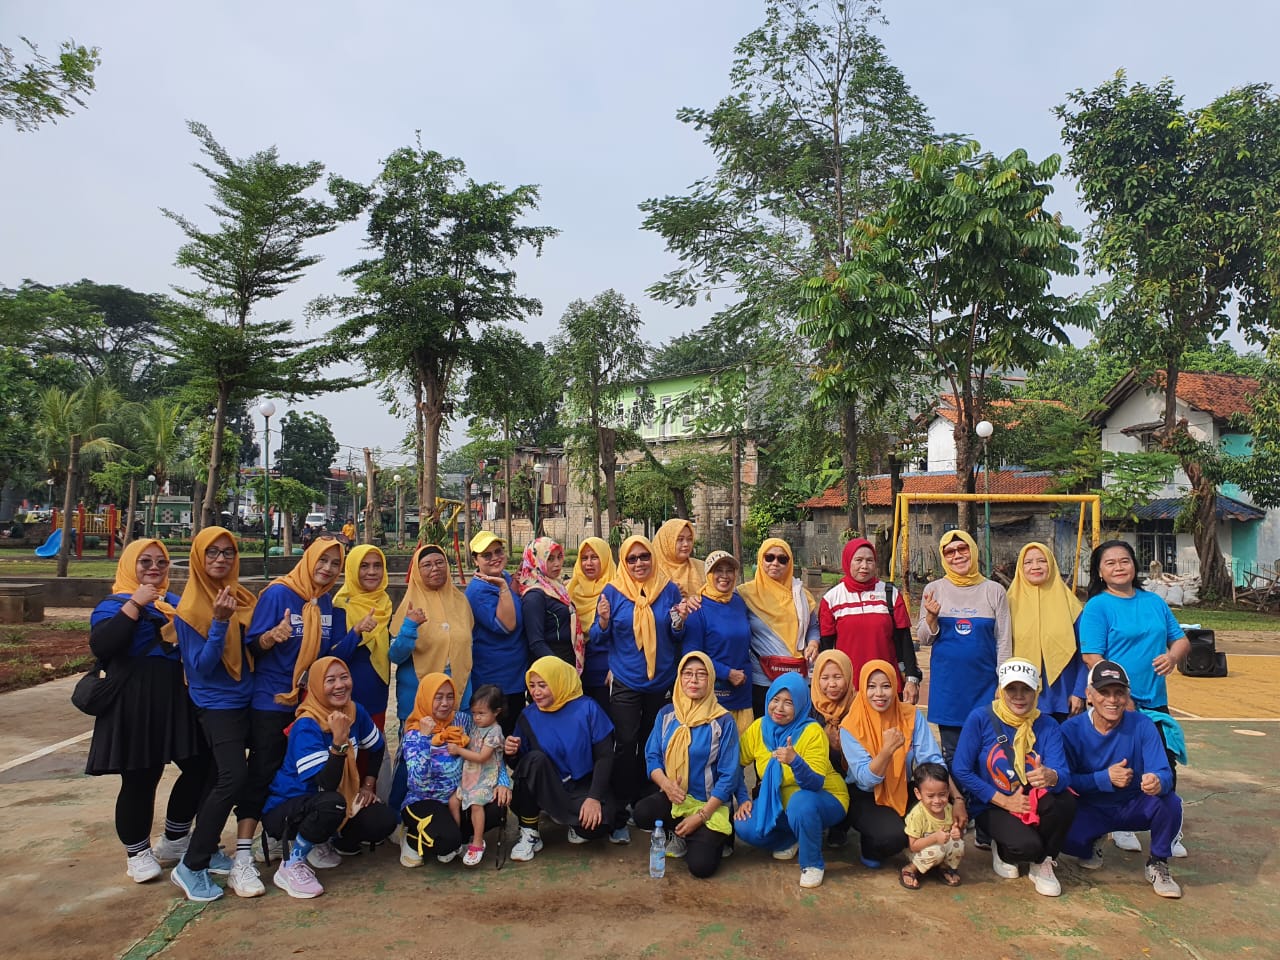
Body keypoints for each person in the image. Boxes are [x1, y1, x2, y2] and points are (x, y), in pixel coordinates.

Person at [86, 540, 213, 886]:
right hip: (134, 701)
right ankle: (137, 852)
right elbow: (103, 646)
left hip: (176, 698)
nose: (154, 568)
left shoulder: (174, 602)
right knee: (141, 777)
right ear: (131, 565)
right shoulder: (113, 605)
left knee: (202, 766)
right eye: (145, 562)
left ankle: (175, 838)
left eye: (161, 562)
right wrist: (135, 604)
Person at [244, 538, 370, 860]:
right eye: (322, 560)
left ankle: (300, 833)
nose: (327, 568)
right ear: (309, 558)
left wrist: (355, 633)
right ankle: (249, 846)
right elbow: (251, 647)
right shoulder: (278, 594)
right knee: (265, 770)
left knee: (305, 772)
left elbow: (326, 658)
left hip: (308, 704)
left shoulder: (324, 601)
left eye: (335, 563)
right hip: (273, 700)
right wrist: (271, 637)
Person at [1079, 539, 1190, 857]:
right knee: (1122, 764)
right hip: (1116, 703)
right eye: (1110, 563)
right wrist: (1118, 694)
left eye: (1124, 560)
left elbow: (1180, 640)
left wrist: (1172, 656)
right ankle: (1121, 825)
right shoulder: (1097, 607)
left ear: (1134, 565)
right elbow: (1092, 656)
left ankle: (1168, 829)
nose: (1118, 567)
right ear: (1100, 572)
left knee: (1163, 764)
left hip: (1154, 701)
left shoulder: (1154, 602)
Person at [172, 527, 262, 901]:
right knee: (232, 778)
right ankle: (190, 865)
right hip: (216, 705)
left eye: (228, 552)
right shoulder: (191, 609)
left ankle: (208, 851)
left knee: (217, 777)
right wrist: (220, 623)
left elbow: (250, 648)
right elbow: (201, 668)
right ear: (198, 557)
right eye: (212, 552)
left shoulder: (241, 597)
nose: (221, 559)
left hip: (245, 700)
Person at [261, 657, 396, 898]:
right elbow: (326, 783)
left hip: (333, 802)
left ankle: (332, 841)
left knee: (382, 819)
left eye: (344, 677)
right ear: (315, 685)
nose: (340, 685)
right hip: (289, 807)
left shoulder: (354, 711)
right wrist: (339, 741)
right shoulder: (307, 724)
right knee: (332, 802)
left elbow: (376, 748)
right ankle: (292, 863)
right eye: (330, 680)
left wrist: (368, 786)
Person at [593, 534, 694, 842]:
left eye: (644, 556)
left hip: (661, 680)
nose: (639, 563)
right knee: (625, 743)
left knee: (654, 743)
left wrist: (678, 623)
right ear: (624, 561)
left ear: (653, 557)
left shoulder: (668, 589)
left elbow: (677, 635)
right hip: (626, 679)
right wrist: (603, 621)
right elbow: (597, 638)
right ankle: (622, 807)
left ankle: (646, 802)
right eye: (632, 558)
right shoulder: (612, 591)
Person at [952, 658, 1077, 897]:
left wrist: (1051, 776)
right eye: (1011, 689)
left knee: (1065, 802)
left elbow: (1063, 774)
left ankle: (1044, 861)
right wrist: (1004, 801)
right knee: (1026, 846)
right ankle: (1005, 850)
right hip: (993, 805)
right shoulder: (980, 718)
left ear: (1036, 691)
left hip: (1031, 800)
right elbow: (961, 769)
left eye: (1026, 689)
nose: (1019, 696)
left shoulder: (1047, 725)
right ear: (1000, 690)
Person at [1060, 661, 1183, 898]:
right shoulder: (1070, 730)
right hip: (1090, 807)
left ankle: (1158, 861)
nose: (1112, 700)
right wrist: (1103, 778)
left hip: (1131, 805)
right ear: (1089, 695)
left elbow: (1164, 772)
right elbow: (1064, 780)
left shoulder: (1143, 725)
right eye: (1104, 692)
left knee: (1170, 802)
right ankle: (1092, 841)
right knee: (1061, 833)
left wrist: (1157, 781)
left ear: (1127, 696)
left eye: (1119, 692)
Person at [839, 658, 958, 871]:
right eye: (871, 686)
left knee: (944, 810)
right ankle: (871, 846)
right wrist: (887, 751)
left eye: (886, 686)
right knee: (892, 836)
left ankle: (917, 845)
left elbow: (931, 761)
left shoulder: (910, 715)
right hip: (866, 794)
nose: (879, 694)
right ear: (862, 688)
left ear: (895, 686)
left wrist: (956, 799)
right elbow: (865, 780)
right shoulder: (850, 725)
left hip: (902, 787)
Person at [735, 673, 849, 888]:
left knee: (801, 803)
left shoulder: (812, 731)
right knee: (744, 825)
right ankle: (792, 838)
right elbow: (735, 764)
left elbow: (814, 784)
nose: (779, 708)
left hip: (825, 798)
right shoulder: (759, 728)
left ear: (801, 704)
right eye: (775, 700)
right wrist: (742, 798)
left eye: (789, 703)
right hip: (781, 803)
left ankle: (812, 863)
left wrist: (795, 761)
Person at [634, 652, 742, 877]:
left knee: (701, 867)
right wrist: (666, 785)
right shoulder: (667, 714)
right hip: (676, 799)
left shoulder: (723, 721)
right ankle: (678, 833)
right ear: (679, 678)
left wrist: (700, 816)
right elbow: (652, 756)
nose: (694, 680)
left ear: (711, 680)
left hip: (710, 804)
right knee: (642, 813)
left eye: (701, 674)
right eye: (688, 674)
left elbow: (729, 776)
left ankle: (709, 835)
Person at [505, 656, 619, 861]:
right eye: (532, 686)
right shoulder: (528, 715)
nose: (536, 692)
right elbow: (521, 767)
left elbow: (605, 756)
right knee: (534, 760)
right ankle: (530, 831)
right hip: (548, 784)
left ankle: (566, 817)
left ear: (559, 682)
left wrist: (593, 798)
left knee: (598, 825)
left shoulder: (587, 708)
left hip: (581, 785)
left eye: (542, 685)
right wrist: (511, 753)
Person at [397, 673, 512, 868]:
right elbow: (418, 782)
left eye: (450, 696)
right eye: (438, 697)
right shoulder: (414, 733)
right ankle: (412, 837)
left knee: (497, 807)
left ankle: (459, 836)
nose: (445, 703)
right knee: (448, 841)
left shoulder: (462, 721)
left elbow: (489, 751)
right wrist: (424, 739)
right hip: (426, 800)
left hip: (459, 795)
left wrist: (502, 782)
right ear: (426, 697)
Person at [917, 530, 1011, 763]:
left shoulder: (994, 591)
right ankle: (957, 789)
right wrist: (931, 617)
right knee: (953, 753)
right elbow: (924, 638)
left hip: (985, 686)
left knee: (987, 752)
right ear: (943, 557)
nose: (957, 555)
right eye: (949, 552)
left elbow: (1003, 640)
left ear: (973, 550)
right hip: (949, 687)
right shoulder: (934, 590)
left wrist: (1003, 682)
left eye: (962, 548)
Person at [818, 538, 920, 704]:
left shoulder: (890, 594)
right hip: (849, 689)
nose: (864, 566)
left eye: (869, 560)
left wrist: (911, 679)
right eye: (858, 560)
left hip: (886, 687)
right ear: (848, 561)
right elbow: (826, 648)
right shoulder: (831, 599)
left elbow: (905, 640)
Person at [388, 544, 475, 726]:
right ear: (417, 571)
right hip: (418, 701)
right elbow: (395, 656)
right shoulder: (409, 605)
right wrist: (410, 626)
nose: (435, 568)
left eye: (440, 562)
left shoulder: (461, 602)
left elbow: (468, 649)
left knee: (457, 743)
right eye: (427, 565)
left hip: (458, 700)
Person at [738, 538, 820, 718]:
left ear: (789, 563)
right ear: (760, 559)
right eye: (769, 557)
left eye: (782, 559)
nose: (775, 563)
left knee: (796, 727)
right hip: (762, 678)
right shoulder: (745, 594)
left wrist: (813, 643)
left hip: (797, 676)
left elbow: (813, 626)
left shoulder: (801, 594)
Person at [1006, 542, 1087, 722]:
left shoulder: (1071, 605)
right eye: (1028, 562)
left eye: (1042, 561)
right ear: (1020, 568)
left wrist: (1079, 692)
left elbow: (1085, 653)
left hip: (1065, 698)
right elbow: (999, 650)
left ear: (1051, 564)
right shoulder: (1007, 604)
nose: (1035, 566)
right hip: (1019, 698)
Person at [681, 550, 753, 734]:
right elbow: (692, 655)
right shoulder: (697, 608)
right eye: (718, 570)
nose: (724, 576)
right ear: (708, 574)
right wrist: (727, 673)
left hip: (742, 692)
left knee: (742, 748)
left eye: (729, 570)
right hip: (714, 696)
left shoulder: (739, 602)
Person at [465, 531, 527, 735]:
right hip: (495, 683)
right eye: (486, 555)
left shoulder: (505, 577)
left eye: (498, 551)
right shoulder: (478, 591)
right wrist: (503, 588)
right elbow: (506, 625)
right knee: (497, 741)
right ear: (475, 560)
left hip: (515, 677)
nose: (495, 558)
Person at [333, 544, 393, 735]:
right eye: (364, 566)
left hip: (378, 697)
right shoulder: (340, 606)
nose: (372, 572)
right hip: (346, 700)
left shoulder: (385, 604)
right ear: (352, 569)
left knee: (374, 749)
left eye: (377, 565)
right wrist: (356, 631)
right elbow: (333, 658)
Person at [448, 685, 507, 866]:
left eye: (481, 713)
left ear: (496, 712)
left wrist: (458, 750)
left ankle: (477, 841)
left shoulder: (495, 731)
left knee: (476, 805)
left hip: (485, 778)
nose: (477, 717)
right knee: (453, 801)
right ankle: (457, 837)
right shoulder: (475, 726)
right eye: (474, 713)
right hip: (470, 776)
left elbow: (482, 757)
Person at [809, 649, 857, 847]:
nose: (832, 684)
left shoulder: (858, 705)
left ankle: (841, 826)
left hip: (850, 775)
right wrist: (823, 736)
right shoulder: (809, 706)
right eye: (825, 678)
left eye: (838, 677)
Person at [567, 536, 615, 710]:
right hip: (577, 673)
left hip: (607, 671)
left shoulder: (617, 589)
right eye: (584, 558)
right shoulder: (570, 590)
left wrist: (617, 668)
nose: (588, 563)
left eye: (595, 557)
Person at [901, 762, 965, 890]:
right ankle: (911, 868)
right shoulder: (917, 815)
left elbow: (959, 834)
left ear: (948, 792)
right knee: (937, 850)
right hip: (918, 852)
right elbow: (913, 846)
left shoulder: (949, 809)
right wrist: (935, 838)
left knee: (958, 844)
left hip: (939, 849)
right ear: (918, 793)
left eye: (942, 794)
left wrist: (957, 833)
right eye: (930, 796)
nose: (937, 801)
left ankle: (944, 867)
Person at [519, 537, 579, 668]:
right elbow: (536, 643)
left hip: (565, 660)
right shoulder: (534, 596)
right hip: (550, 667)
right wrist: (559, 668)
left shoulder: (556, 587)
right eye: (550, 559)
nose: (557, 563)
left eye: (559, 557)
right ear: (536, 560)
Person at [653, 517, 705, 598]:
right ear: (666, 542)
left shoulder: (702, 568)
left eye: (689, 539)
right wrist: (668, 595)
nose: (686, 544)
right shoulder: (651, 571)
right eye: (680, 539)